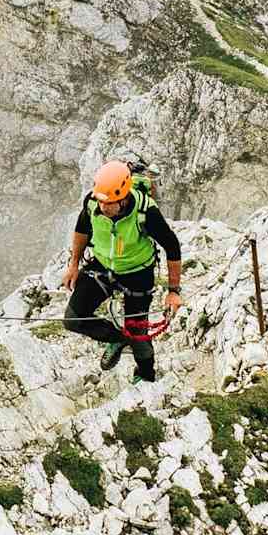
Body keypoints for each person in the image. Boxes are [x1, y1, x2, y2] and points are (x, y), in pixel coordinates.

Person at [61, 160, 184, 383]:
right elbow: (81, 230)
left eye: (110, 203)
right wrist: (74, 265)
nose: (103, 207)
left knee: (138, 333)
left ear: (124, 197)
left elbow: (172, 246)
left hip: (137, 272)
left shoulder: (146, 211)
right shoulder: (92, 203)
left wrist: (173, 291)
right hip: (102, 265)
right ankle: (118, 339)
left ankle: (146, 376)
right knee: (73, 320)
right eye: (101, 202)